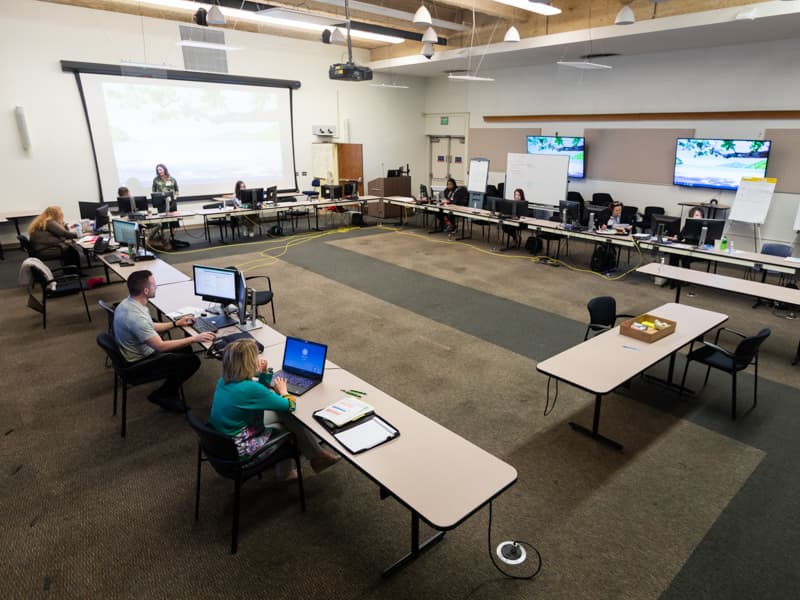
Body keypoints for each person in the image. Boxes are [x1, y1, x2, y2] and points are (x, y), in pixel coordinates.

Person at [209, 338, 339, 476]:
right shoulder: (250, 388)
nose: (257, 360)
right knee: (288, 427)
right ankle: (290, 471)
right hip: (242, 452)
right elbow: (290, 405)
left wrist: (263, 374)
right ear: (247, 364)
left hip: (224, 441)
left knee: (281, 412)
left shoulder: (224, 380)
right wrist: (283, 391)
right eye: (255, 358)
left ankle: (317, 455)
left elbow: (258, 398)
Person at [113, 269, 215, 411]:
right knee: (192, 361)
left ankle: (171, 386)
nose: (157, 287)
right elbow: (160, 347)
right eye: (154, 285)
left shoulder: (129, 303)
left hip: (136, 351)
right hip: (139, 362)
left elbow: (150, 326)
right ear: (146, 291)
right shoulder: (136, 317)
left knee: (185, 349)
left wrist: (175, 324)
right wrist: (194, 338)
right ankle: (163, 394)